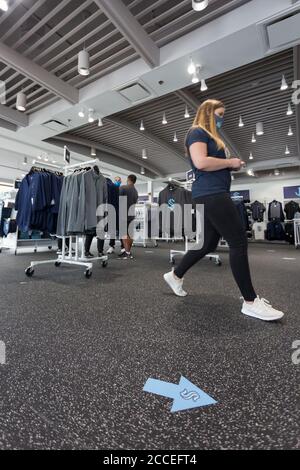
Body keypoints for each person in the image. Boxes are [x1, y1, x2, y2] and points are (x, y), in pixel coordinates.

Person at [163, 99, 284, 322]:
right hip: (212, 194)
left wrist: (231, 164)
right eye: (219, 115)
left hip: (211, 193)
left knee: (208, 243)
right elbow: (200, 162)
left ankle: (175, 275)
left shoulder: (208, 135)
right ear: (208, 113)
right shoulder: (197, 132)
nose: (221, 119)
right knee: (238, 242)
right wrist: (230, 163)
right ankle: (250, 302)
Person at [118, 174, 138, 260]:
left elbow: (117, 199)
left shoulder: (123, 188)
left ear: (128, 179)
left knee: (123, 234)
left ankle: (127, 253)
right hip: (131, 214)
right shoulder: (135, 191)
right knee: (130, 234)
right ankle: (128, 252)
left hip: (123, 214)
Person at [106, 176, 125, 255]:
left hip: (120, 211)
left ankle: (123, 246)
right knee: (112, 230)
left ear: (120, 181)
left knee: (121, 229)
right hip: (112, 210)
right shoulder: (111, 188)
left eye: (119, 180)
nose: (118, 181)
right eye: (116, 180)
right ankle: (111, 246)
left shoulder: (122, 189)